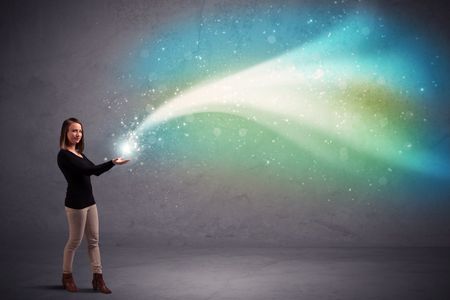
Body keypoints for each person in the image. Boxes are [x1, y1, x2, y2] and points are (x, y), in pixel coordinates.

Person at [57, 117, 129, 294]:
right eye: (74, 130)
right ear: (65, 133)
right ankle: (67, 276)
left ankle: (98, 278)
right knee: (74, 241)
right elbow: (88, 171)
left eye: (80, 131)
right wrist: (112, 162)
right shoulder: (64, 155)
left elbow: (95, 171)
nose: (78, 134)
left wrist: (112, 163)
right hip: (76, 205)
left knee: (94, 241)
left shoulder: (79, 154)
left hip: (90, 203)